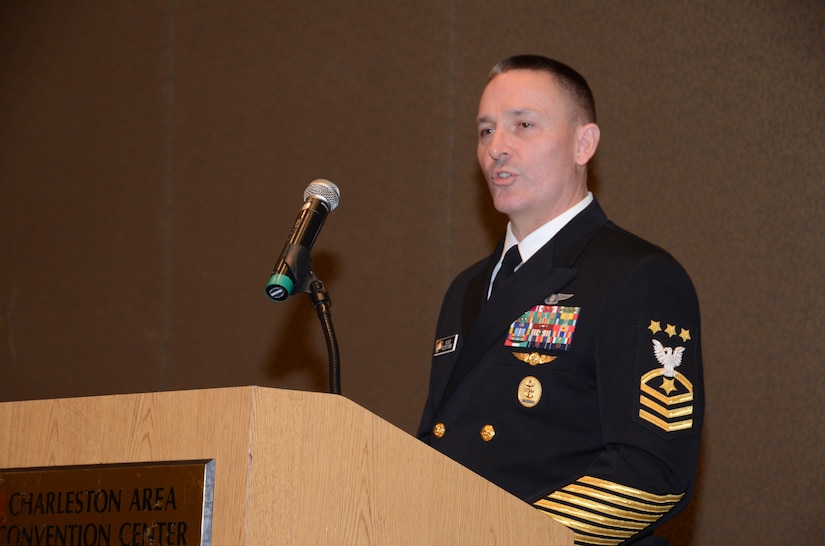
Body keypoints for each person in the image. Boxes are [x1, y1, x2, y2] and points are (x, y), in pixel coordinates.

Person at [417, 55, 704, 546]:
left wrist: (517, 538)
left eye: (522, 125)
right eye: (485, 132)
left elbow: (651, 468)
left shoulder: (637, 275)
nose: (496, 149)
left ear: (583, 143)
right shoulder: (466, 288)